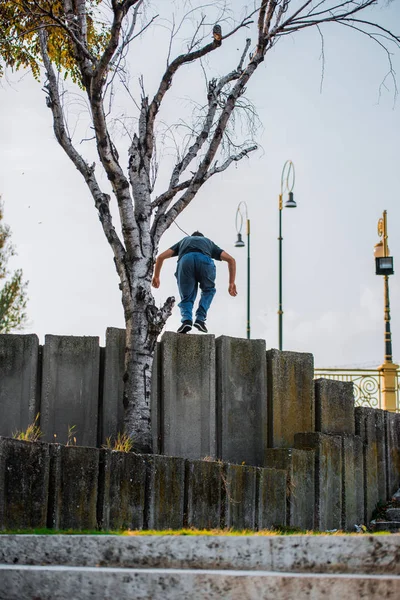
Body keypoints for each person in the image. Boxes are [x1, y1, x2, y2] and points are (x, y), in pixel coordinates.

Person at [152, 231, 237, 333]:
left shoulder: (184, 241)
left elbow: (160, 257)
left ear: (192, 237)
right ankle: (200, 319)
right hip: (205, 261)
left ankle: (187, 320)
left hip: (186, 261)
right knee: (208, 290)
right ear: (202, 237)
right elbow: (231, 260)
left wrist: (156, 276)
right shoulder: (208, 242)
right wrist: (231, 283)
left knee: (187, 296)